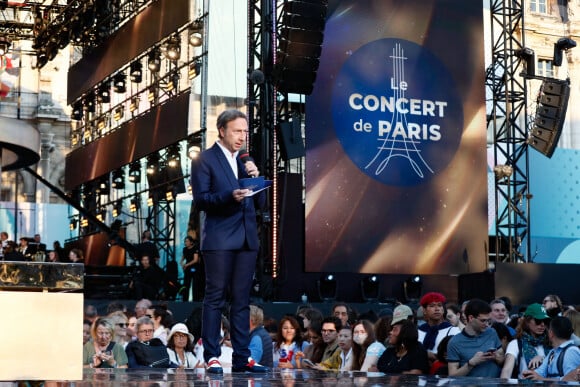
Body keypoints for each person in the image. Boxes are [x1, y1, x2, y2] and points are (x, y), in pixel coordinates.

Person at [189, 109, 268, 374]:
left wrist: (256, 177)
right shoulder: (205, 159)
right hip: (221, 237)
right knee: (215, 297)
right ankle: (212, 354)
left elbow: (261, 203)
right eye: (237, 131)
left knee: (242, 300)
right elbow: (201, 200)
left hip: (246, 238)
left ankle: (241, 357)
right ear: (222, 130)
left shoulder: (246, 160)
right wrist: (229, 195)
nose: (242, 137)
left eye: (245, 131)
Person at [447, 298, 505, 377]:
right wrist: (471, 363)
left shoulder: (492, 332)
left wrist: (496, 357)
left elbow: (502, 360)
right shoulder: (455, 342)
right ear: (471, 318)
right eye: (483, 320)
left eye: (489, 321)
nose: (487, 324)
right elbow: (452, 375)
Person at [500, 303, 551, 379]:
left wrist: (542, 358)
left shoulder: (550, 342)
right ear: (527, 321)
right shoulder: (516, 344)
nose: (542, 324)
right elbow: (507, 371)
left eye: (545, 321)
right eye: (538, 321)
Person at [522, 316, 580, 381]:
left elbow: (570, 382)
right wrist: (531, 374)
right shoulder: (553, 352)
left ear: (551, 333)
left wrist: (542, 379)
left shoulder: (571, 351)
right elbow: (540, 373)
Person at [417, 292, 460, 362]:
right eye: (432, 306)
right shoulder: (419, 331)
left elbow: (455, 355)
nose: (437, 309)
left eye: (440, 305)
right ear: (424, 310)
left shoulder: (453, 331)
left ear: (443, 310)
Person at [180, 235, 200, 302]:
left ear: (191, 242)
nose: (185, 243)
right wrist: (181, 263)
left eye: (187, 241)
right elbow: (183, 258)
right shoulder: (184, 249)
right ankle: (185, 300)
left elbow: (195, 260)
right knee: (186, 284)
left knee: (195, 284)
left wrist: (187, 265)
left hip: (194, 268)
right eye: (185, 241)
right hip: (187, 268)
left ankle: (195, 300)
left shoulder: (195, 248)